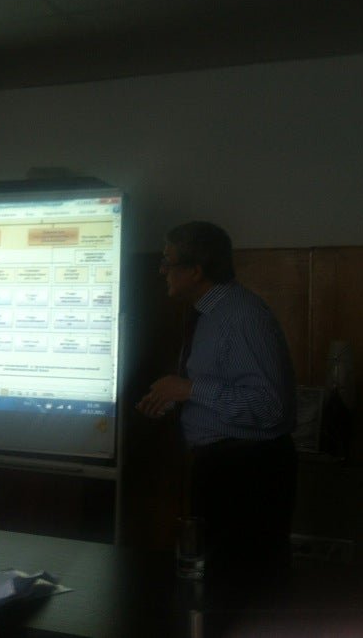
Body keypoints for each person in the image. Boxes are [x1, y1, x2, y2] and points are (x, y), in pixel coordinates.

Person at [136, 221, 297, 601]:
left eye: (168, 261)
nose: (161, 270)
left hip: (248, 473)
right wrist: (176, 399)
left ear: (195, 270)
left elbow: (270, 408)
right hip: (223, 468)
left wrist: (189, 388)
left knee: (243, 592)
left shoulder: (241, 316)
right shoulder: (209, 314)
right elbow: (225, 387)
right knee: (219, 588)